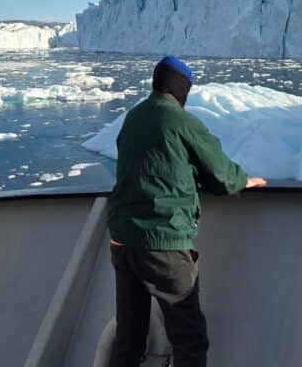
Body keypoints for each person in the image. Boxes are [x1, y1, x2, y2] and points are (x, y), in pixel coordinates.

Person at [107, 56, 266, 367]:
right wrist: (243, 180)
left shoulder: (133, 117)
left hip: (123, 240)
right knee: (189, 335)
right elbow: (220, 175)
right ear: (181, 89)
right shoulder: (182, 121)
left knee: (129, 336)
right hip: (163, 243)